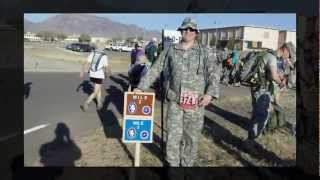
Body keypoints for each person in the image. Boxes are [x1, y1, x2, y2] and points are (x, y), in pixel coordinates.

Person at [134, 17, 220, 166]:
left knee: (191, 138)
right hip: (174, 102)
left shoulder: (205, 51)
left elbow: (214, 73)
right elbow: (155, 69)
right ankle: (173, 168)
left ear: (196, 32)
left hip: (195, 103)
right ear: (180, 31)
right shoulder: (170, 50)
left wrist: (210, 94)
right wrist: (141, 87)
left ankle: (187, 166)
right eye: (185, 29)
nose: (188, 31)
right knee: (173, 137)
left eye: (191, 29)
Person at [248, 43, 293, 140]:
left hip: (258, 87)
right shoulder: (272, 58)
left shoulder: (269, 55)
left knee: (257, 114)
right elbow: (273, 76)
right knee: (261, 115)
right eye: (289, 55)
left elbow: (269, 73)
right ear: (285, 50)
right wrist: (280, 82)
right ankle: (252, 140)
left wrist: (280, 77)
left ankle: (253, 138)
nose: (288, 57)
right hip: (261, 89)